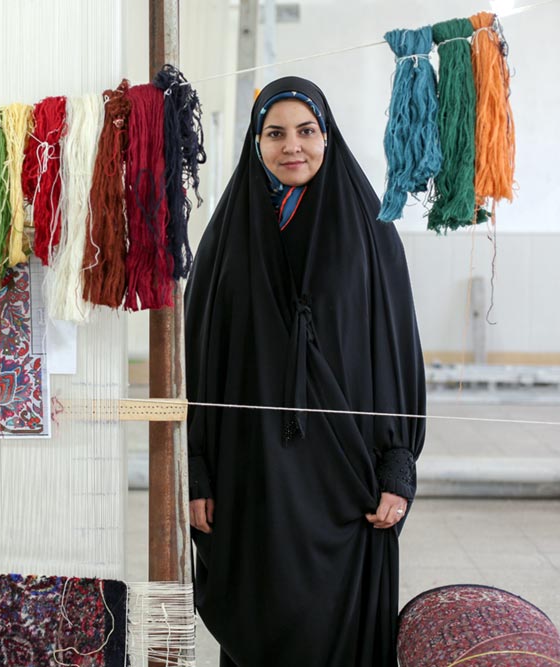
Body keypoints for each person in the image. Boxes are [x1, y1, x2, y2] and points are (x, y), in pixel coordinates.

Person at [185, 76, 426, 666]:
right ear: (256, 142)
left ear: (327, 136)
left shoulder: (371, 231)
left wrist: (399, 463)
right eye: (275, 133)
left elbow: (397, 349)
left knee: (342, 631)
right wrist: (198, 472)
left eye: (306, 131)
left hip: (348, 478)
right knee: (262, 619)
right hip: (253, 476)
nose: (292, 146)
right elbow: (201, 363)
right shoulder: (226, 239)